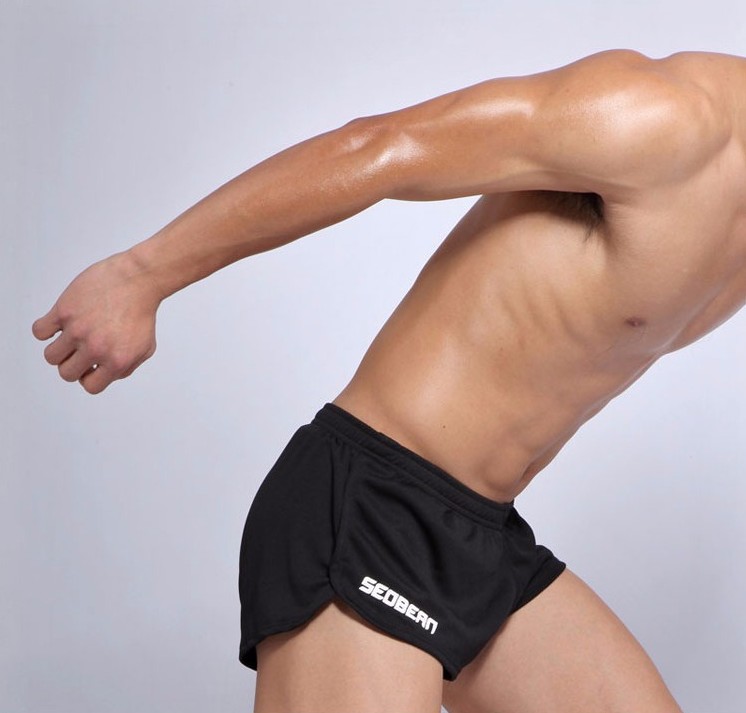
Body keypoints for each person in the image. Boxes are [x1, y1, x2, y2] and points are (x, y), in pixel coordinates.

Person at [31, 47, 745, 712]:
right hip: (371, 506)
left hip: (484, 536)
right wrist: (143, 274)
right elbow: (381, 147)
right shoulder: (658, 119)